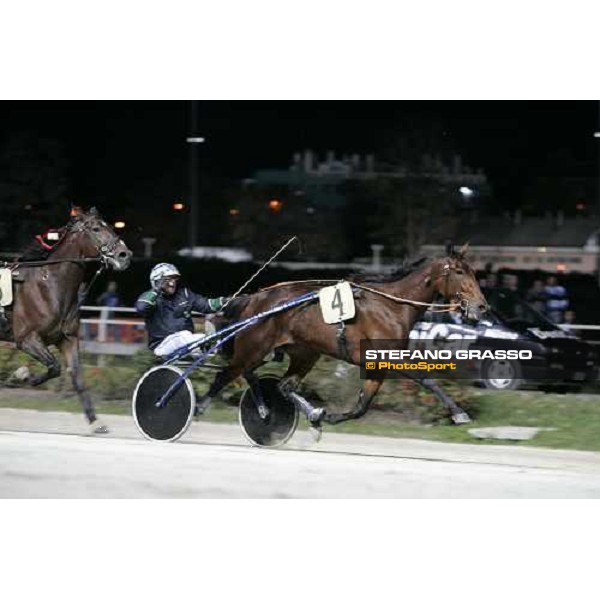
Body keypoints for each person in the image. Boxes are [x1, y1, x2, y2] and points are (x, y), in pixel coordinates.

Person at [135, 263, 228, 358]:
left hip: (186, 344)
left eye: (174, 279)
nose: (173, 283)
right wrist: (156, 289)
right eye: (168, 280)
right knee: (184, 335)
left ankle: (208, 346)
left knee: (210, 333)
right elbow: (141, 308)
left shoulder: (185, 294)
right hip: (162, 346)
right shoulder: (149, 297)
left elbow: (207, 305)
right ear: (157, 280)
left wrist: (228, 301)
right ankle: (204, 341)